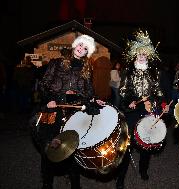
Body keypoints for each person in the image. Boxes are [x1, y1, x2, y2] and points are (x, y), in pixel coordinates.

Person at [37, 34, 105, 189]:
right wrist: (49, 99)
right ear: (75, 45)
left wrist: (94, 100)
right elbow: (43, 85)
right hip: (54, 108)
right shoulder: (57, 63)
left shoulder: (87, 69)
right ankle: (47, 182)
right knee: (50, 147)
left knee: (73, 148)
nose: (82, 49)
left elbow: (89, 92)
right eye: (80, 45)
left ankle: (75, 183)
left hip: (74, 113)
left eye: (86, 48)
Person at [116, 29, 169, 189]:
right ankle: (120, 178)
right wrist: (130, 101)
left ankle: (143, 169)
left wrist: (163, 104)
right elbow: (123, 92)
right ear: (135, 54)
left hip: (149, 111)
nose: (142, 56)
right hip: (133, 112)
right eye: (139, 53)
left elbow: (159, 93)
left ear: (148, 55)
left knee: (147, 143)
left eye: (144, 54)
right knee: (127, 147)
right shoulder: (128, 72)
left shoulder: (155, 73)